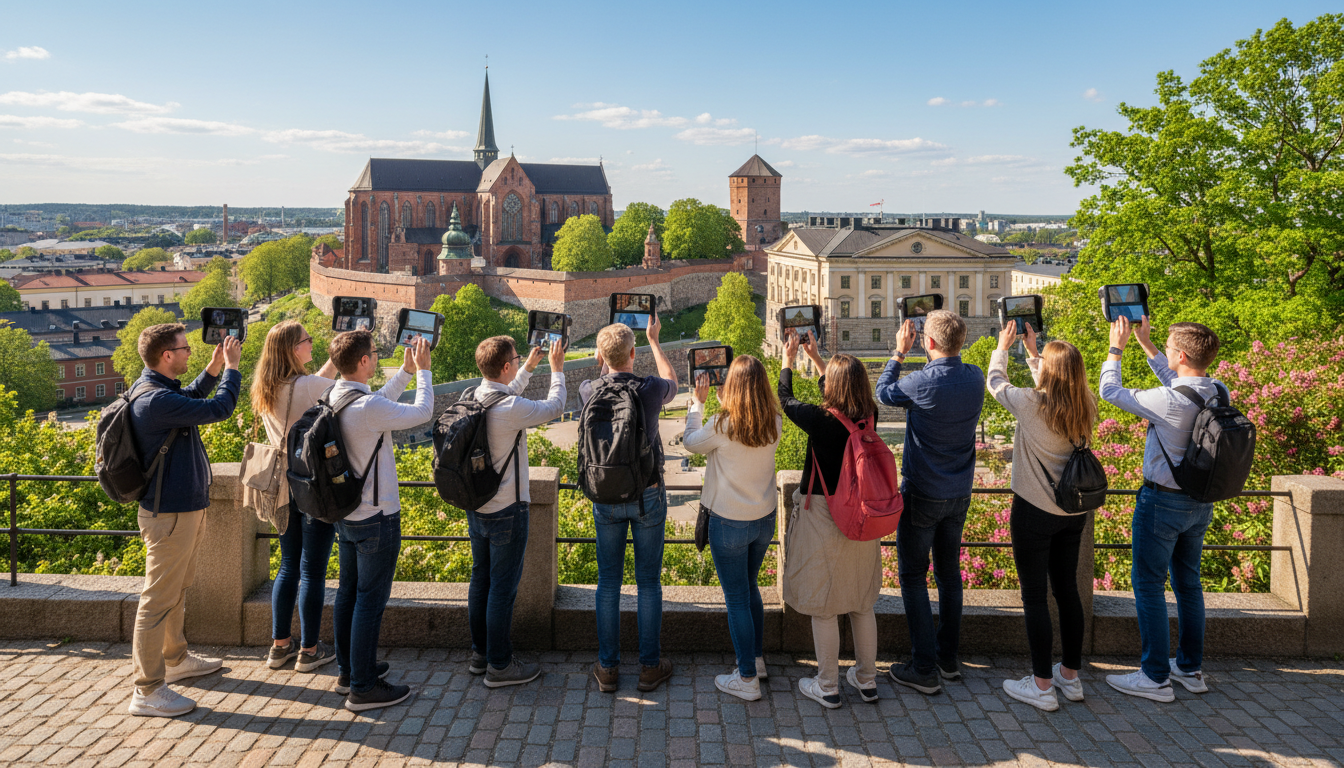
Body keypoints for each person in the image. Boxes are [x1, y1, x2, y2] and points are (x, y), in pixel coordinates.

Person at [1101, 316, 1224, 702]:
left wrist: (1116, 347)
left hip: (1162, 503)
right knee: (1189, 584)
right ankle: (1189, 668)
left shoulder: (1168, 401)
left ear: (1182, 354)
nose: (1166, 352)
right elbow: (1180, 385)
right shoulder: (1218, 391)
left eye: (1170, 348)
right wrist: (1149, 346)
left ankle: (1154, 676)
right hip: (1199, 501)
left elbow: (1110, 390)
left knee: (1149, 585)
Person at [126, 325, 242, 717]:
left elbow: (191, 397)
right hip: (170, 513)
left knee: (177, 589)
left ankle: (175, 661)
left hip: (181, 509)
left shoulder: (159, 390)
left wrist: (210, 371)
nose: (190, 352)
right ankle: (147, 690)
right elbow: (218, 409)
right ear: (166, 356)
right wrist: (231, 369)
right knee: (157, 600)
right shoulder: (155, 399)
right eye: (185, 348)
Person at [986, 322, 1098, 711]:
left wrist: (1004, 347)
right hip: (1073, 511)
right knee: (1067, 591)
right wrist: (1036, 355)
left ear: (1048, 373)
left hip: (1034, 511)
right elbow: (1063, 387)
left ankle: (1041, 685)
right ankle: (1070, 676)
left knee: (1034, 596)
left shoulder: (1032, 403)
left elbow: (995, 382)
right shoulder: (1087, 402)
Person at [876, 310, 984, 695]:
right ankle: (948, 659)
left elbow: (883, 392)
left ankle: (923, 668)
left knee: (912, 576)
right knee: (949, 575)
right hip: (959, 492)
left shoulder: (921, 382)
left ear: (929, 343)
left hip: (923, 492)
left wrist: (899, 353)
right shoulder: (975, 377)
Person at [327, 331, 435, 711]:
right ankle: (364, 686)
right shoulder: (367, 406)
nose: (377, 358)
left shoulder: (335, 395)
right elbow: (422, 413)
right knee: (370, 602)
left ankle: (349, 671)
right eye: (374, 354)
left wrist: (403, 374)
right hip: (376, 514)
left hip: (346, 513)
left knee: (348, 594)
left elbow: (377, 405)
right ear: (362, 362)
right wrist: (424, 372)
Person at [778, 331, 882, 708]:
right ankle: (867, 681)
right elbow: (843, 394)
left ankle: (828, 685)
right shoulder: (868, 416)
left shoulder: (821, 420)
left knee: (824, 605)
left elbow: (786, 401)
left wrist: (789, 360)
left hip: (823, 513)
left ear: (832, 388)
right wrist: (821, 360)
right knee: (861, 603)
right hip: (862, 514)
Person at [579, 313, 678, 693]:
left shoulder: (588, 390)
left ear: (600, 357)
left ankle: (607, 669)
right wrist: (655, 341)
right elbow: (674, 381)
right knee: (648, 582)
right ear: (633, 353)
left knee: (608, 584)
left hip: (604, 492)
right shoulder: (650, 388)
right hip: (647, 491)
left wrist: (601, 364)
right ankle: (650, 667)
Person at [466, 335, 567, 687]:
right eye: (516, 358)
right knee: (502, 590)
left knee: (481, 579)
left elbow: (505, 393)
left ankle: (480, 654)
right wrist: (556, 370)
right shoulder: (511, 409)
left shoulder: (475, 395)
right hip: (507, 509)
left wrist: (526, 368)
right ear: (505, 366)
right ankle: (500, 665)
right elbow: (554, 406)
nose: (519, 360)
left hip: (477, 506)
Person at [682, 356, 782, 701]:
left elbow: (690, 442)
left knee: (736, 597)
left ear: (733, 387)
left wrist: (698, 402)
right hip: (763, 519)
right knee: (750, 587)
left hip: (729, 522)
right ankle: (755, 658)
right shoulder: (775, 422)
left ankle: (747, 677)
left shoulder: (723, 424)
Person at [251, 320, 340, 674]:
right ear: (292, 349)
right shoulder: (308, 386)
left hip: (280, 487)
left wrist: (329, 360)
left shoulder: (267, 385)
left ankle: (279, 646)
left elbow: (309, 386)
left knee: (287, 566)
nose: (311, 343)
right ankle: (310, 650)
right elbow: (340, 389)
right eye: (306, 340)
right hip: (310, 484)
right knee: (313, 570)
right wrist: (340, 355)